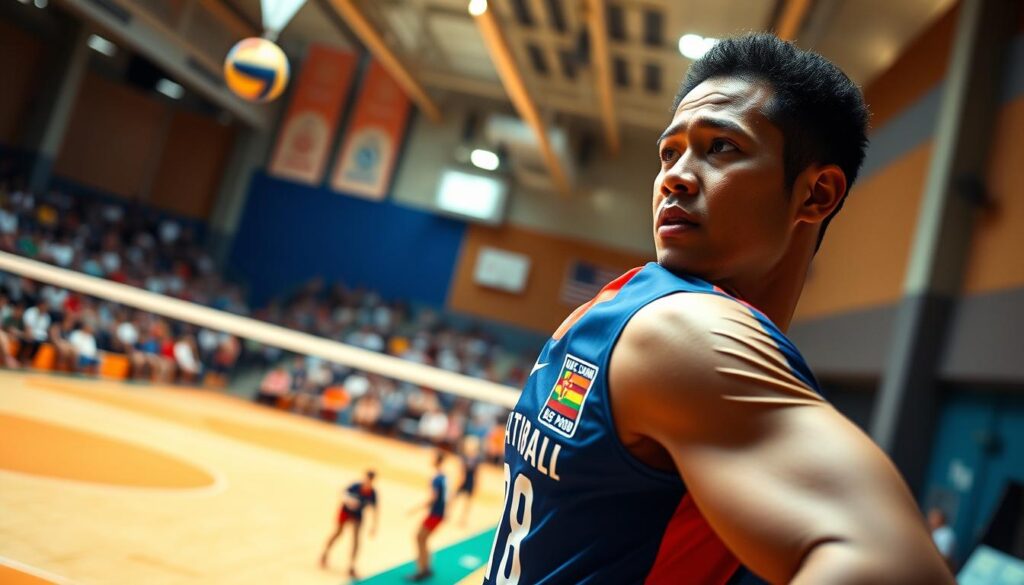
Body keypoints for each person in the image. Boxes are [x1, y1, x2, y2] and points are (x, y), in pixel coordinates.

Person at [483, 34, 953, 585]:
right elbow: (898, 567)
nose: (674, 176)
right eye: (669, 152)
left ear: (816, 194)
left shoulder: (612, 310)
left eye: (721, 147)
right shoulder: (685, 331)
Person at [321, 469, 378, 580]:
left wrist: (374, 526)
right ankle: (325, 554)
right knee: (338, 533)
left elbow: (375, 509)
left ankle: (351, 566)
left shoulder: (372, 493)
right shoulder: (355, 486)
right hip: (346, 512)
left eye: (370, 480)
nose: (368, 482)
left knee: (356, 540)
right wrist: (349, 501)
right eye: (367, 479)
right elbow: (343, 494)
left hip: (357, 515)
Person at [408, 451, 446, 582]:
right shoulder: (444, 476)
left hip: (435, 513)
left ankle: (421, 570)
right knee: (423, 538)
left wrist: (416, 508)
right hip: (440, 513)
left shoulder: (436, 478)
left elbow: (433, 498)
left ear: (436, 460)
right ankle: (426, 567)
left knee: (419, 537)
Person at [451, 435, 483, 526]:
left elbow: (477, 471)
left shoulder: (476, 458)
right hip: (464, 479)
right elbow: (461, 469)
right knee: (455, 497)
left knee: (467, 501)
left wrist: (477, 482)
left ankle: (463, 519)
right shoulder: (464, 456)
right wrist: (460, 479)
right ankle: (448, 514)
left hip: (470, 480)